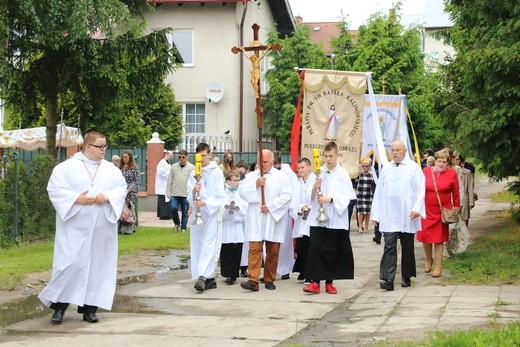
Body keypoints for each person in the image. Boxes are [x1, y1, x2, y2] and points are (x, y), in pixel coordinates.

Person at [38, 131, 127, 324]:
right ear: (87, 147)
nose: (104, 150)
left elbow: (121, 189)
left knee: (97, 266)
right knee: (70, 263)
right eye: (100, 146)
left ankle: (89, 309)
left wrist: (108, 196)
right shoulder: (67, 167)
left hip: (101, 229)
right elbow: (54, 189)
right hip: (74, 227)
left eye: (105, 146)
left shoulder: (111, 170)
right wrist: (77, 198)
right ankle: (59, 308)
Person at [302, 142, 357, 295]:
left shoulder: (342, 174)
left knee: (332, 250)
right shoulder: (317, 172)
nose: (328, 159)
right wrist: (315, 187)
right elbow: (309, 197)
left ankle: (329, 282)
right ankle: (314, 282)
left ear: (337, 155)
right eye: (325, 156)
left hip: (335, 218)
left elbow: (347, 197)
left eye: (331, 156)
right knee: (315, 249)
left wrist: (331, 199)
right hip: (318, 218)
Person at [371, 140, 425, 291]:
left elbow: (421, 190)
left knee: (407, 246)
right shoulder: (386, 168)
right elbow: (379, 192)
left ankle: (406, 276)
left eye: (397, 150)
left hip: (407, 213)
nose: (394, 152)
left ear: (405, 151)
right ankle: (388, 279)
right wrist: (376, 214)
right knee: (389, 245)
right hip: (389, 214)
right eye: (393, 150)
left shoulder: (414, 168)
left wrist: (417, 208)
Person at [239, 149, 292, 291]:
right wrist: (255, 185)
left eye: (265, 162)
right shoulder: (251, 177)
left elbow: (287, 195)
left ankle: (269, 278)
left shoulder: (281, 177)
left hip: (273, 218)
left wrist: (270, 206)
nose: (262, 165)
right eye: (260, 162)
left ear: (273, 162)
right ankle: (253, 280)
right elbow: (242, 192)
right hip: (256, 217)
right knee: (255, 249)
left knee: (273, 251)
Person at [187, 143, 225, 292]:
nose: (201, 159)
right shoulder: (193, 172)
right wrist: (194, 191)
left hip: (211, 213)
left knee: (209, 245)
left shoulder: (216, 172)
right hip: (198, 214)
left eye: (204, 155)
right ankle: (209, 279)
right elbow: (189, 196)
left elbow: (219, 194)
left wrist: (206, 202)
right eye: (199, 156)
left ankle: (202, 277)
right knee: (198, 245)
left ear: (209, 154)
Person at [417, 149, 460, 277]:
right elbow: (418, 190)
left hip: (442, 211)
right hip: (426, 209)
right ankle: (428, 260)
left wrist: (456, 208)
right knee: (425, 237)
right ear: (434, 161)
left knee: (439, 240)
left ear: (448, 163)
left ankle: (438, 266)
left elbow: (456, 193)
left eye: (444, 162)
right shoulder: (425, 172)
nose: (441, 164)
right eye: (439, 161)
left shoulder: (452, 174)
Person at [273, 151, 299, 280]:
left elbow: (294, 192)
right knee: (271, 240)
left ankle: (284, 269)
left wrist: (291, 209)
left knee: (285, 242)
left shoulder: (289, 174)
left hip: (285, 211)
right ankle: (271, 269)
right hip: (271, 210)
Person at [220, 170, 248, 285]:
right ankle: (226, 272)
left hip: (237, 224)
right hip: (227, 224)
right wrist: (227, 208)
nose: (237, 183)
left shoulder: (241, 192)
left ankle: (233, 274)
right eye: (234, 180)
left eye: (238, 180)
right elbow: (220, 206)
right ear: (228, 181)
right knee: (226, 247)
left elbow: (245, 207)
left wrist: (237, 207)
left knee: (236, 248)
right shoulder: (223, 192)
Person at [290, 157, 315, 283]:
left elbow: (316, 198)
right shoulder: (298, 183)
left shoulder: (316, 181)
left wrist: (310, 207)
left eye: (303, 167)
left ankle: (310, 274)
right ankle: (303, 271)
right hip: (301, 218)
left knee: (311, 247)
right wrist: (301, 207)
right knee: (301, 247)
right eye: (298, 168)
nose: (300, 170)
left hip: (312, 218)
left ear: (309, 167)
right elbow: (294, 201)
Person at [165, 150, 194, 233]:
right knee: (173, 208)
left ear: (186, 157)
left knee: (185, 212)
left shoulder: (191, 167)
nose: (181, 159)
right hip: (174, 193)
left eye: (183, 157)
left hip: (185, 193)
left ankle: (183, 228)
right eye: (179, 157)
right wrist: (168, 192)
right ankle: (176, 223)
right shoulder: (174, 167)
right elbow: (169, 180)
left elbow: (193, 181)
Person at [118, 150, 140, 235]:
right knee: (122, 210)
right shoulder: (120, 167)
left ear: (130, 158)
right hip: (122, 190)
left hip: (131, 192)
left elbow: (136, 180)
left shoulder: (135, 167)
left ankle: (129, 229)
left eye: (127, 157)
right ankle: (120, 228)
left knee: (130, 210)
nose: (125, 159)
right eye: (124, 157)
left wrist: (129, 190)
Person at [355, 159, 375, 233]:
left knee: (367, 212)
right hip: (360, 195)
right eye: (363, 166)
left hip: (369, 195)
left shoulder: (372, 174)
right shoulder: (359, 174)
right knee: (360, 212)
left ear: (369, 167)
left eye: (366, 166)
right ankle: (360, 226)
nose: (364, 167)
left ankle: (366, 226)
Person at [156, 150, 173, 220]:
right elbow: (161, 173)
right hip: (162, 185)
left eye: (172, 156)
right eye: (171, 156)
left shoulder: (168, 163)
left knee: (167, 201)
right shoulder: (161, 163)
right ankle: (163, 215)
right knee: (163, 201)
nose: (171, 157)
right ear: (166, 154)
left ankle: (168, 214)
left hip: (167, 185)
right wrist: (170, 175)